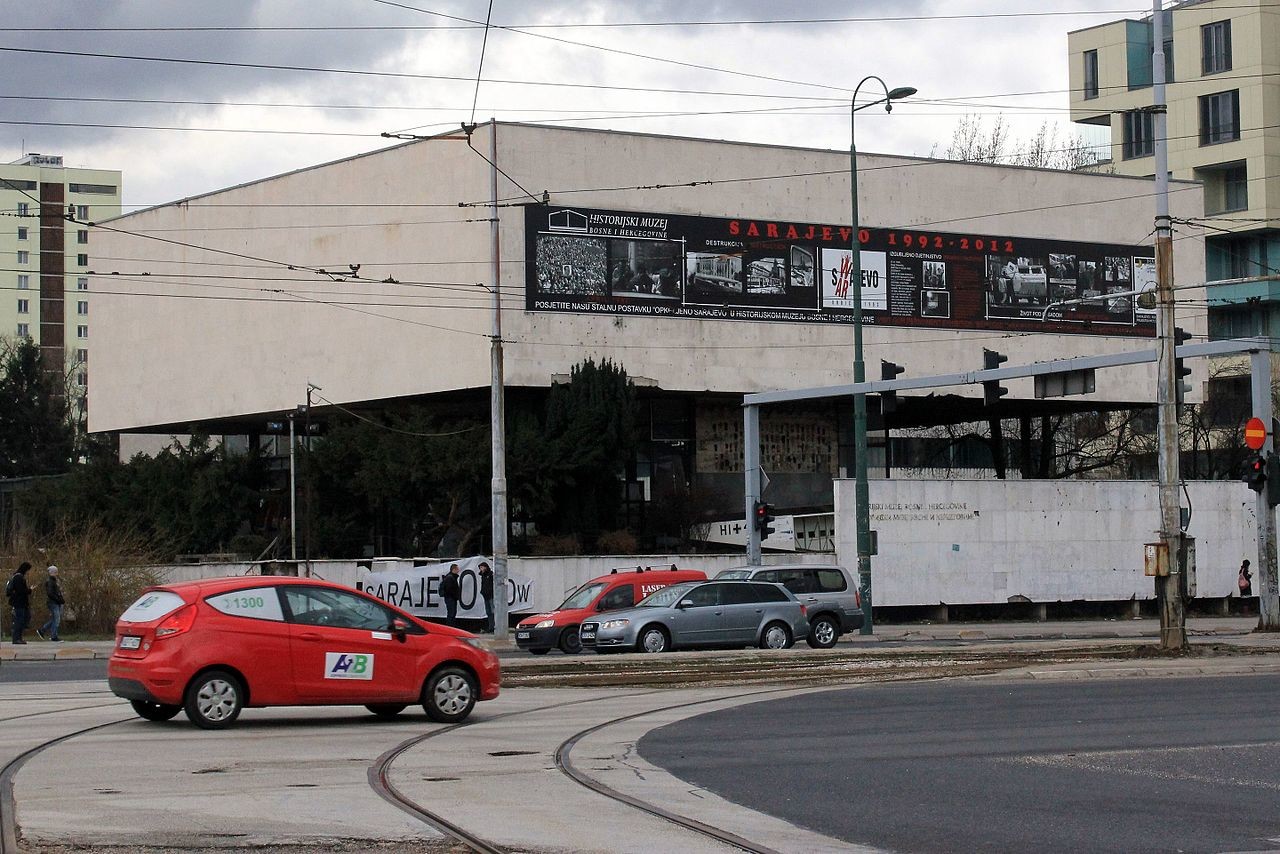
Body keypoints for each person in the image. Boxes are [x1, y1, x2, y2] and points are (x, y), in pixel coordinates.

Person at [6, 562, 32, 645]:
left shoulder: (18, 577)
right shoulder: (18, 578)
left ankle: (19, 638)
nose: (28, 572)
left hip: (21, 602)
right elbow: (20, 591)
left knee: (24, 618)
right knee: (19, 620)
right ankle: (16, 638)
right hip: (19, 602)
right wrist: (29, 590)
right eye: (28, 570)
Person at [37, 565, 65, 642]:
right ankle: (54, 636)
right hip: (53, 603)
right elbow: (50, 593)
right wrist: (58, 599)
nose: (57, 573)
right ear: (52, 572)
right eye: (56, 572)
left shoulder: (53, 581)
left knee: (54, 619)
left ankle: (42, 630)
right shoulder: (50, 582)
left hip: (54, 602)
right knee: (57, 619)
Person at [477, 561, 495, 633]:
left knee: (492, 611)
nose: (480, 569)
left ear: (485, 567)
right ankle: (491, 626)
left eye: (481, 567)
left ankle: (493, 626)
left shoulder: (490, 574)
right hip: (486, 595)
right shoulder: (483, 575)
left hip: (490, 595)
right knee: (488, 612)